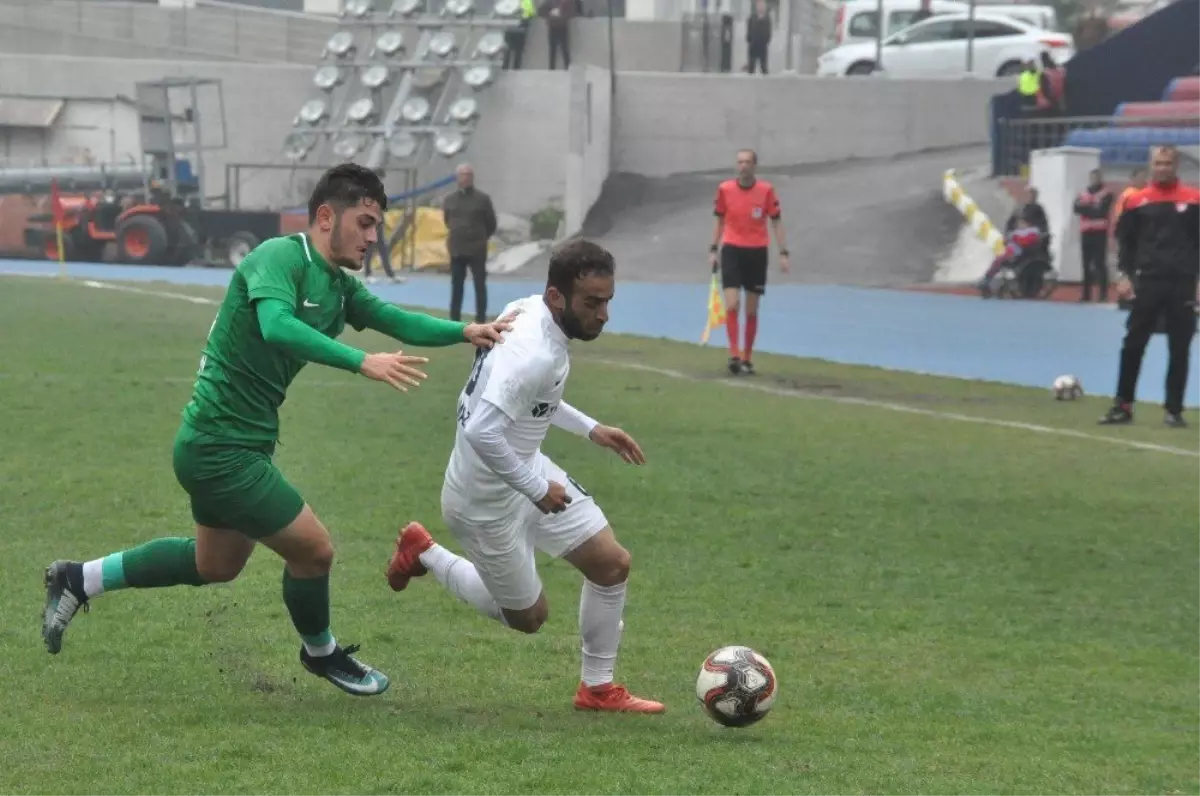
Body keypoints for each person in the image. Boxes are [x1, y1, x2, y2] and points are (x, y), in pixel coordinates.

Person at [41, 163, 512, 697]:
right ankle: (322, 652)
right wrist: (361, 361)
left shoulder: (337, 285)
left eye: (376, 225)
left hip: (239, 443)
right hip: (219, 445)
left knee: (214, 564)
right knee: (314, 551)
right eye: (364, 222)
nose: (371, 237)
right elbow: (276, 325)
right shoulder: (279, 257)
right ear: (326, 216)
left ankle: (79, 578)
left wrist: (465, 330)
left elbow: (395, 318)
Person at [385, 239, 666, 714]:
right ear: (557, 297)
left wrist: (590, 429)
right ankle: (425, 552)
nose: (603, 315)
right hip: (482, 501)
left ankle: (597, 689)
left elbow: (528, 399)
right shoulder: (534, 352)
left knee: (611, 564)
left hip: (525, 467)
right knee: (529, 618)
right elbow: (481, 430)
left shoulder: (529, 309)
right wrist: (536, 489)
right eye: (591, 303)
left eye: (607, 301)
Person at [1100, 145, 1200, 428]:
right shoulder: (1136, 201)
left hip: (1182, 283)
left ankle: (1174, 410)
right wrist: (1123, 274)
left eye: (1168, 163)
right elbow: (1126, 245)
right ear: (1151, 166)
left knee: (1179, 347)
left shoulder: (1194, 200)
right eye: (1158, 163)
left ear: (1176, 166)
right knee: (1133, 343)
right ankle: (1123, 405)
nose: (1163, 168)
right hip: (1148, 282)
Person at [708, 148, 790, 376]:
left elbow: (776, 222)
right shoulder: (725, 189)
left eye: (747, 162)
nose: (743, 166)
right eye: (739, 162)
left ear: (754, 165)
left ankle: (747, 357)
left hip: (757, 252)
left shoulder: (766, 191)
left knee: (752, 310)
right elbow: (720, 220)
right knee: (732, 304)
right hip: (732, 249)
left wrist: (783, 252)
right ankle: (734, 355)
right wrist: (713, 248)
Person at [443, 163, 498, 324]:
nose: (465, 177)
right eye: (462, 174)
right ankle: (454, 320)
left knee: (480, 285)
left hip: (477, 249)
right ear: (457, 177)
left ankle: (481, 320)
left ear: (472, 178)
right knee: (456, 286)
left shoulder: (483, 199)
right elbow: (447, 221)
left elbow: (491, 223)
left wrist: (480, 238)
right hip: (457, 249)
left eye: (468, 174)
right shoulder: (450, 199)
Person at [977, 212, 1043, 297]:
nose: (1020, 224)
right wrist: (1008, 240)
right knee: (998, 260)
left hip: (1022, 254)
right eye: (1019, 223)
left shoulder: (1032, 232)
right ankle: (987, 279)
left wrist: (1015, 239)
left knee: (1000, 260)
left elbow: (1026, 242)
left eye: (1022, 222)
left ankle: (987, 280)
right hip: (1011, 251)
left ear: (1028, 223)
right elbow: (1008, 241)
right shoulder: (1017, 232)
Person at [1073, 168, 1115, 302]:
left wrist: (1086, 208)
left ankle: (1103, 294)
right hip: (1086, 231)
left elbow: (1101, 211)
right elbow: (1076, 208)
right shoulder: (1082, 193)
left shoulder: (1107, 194)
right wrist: (1091, 207)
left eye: (1096, 177)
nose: (1094, 180)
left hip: (1099, 231)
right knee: (1085, 264)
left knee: (1100, 263)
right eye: (1092, 178)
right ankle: (1086, 294)